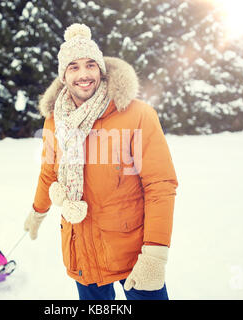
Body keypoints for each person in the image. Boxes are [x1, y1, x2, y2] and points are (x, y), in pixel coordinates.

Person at [24, 23, 178, 300]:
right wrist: (37, 212)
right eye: (73, 67)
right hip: (80, 247)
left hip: (132, 253)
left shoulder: (137, 114)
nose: (84, 75)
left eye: (90, 65)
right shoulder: (54, 120)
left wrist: (155, 254)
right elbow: (49, 173)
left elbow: (160, 185)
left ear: (101, 69)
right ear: (64, 75)